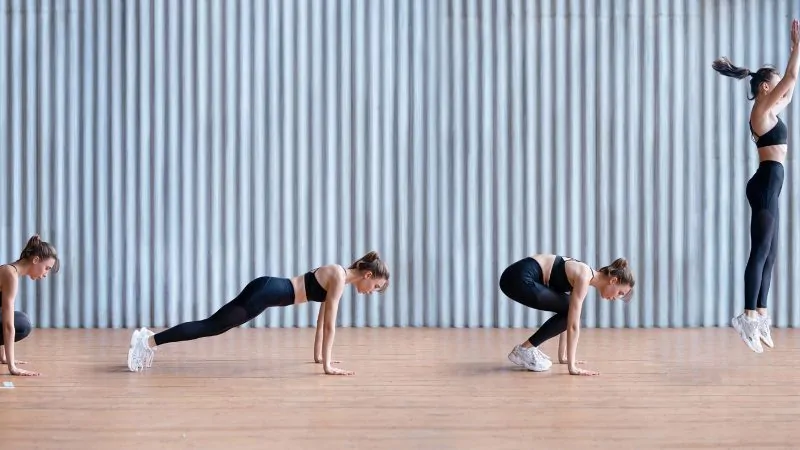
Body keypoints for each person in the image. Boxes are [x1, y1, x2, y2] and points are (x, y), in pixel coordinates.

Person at [127, 251, 390, 375]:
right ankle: (147, 342)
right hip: (264, 293)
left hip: (265, 289)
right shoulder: (338, 276)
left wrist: (320, 357)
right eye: (375, 287)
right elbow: (331, 325)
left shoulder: (339, 277)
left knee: (213, 325)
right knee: (211, 326)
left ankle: (149, 340)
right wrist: (328, 367)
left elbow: (321, 321)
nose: (371, 292)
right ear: (368, 275)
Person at [712, 19, 800, 353]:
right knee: (760, 251)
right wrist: (796, 48)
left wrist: (795, 54)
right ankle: (746, 315)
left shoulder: (772, 108)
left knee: (772, 254)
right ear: (765, 87)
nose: (781, 90)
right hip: (764, 185)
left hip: (770, 185)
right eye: (775, 85)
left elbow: (790, 87)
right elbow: (790, 80)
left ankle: (760, 314)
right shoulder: (761, 109)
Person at [499, 254, 634, 376]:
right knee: (570, 309)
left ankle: (526, 349)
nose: (617, 298)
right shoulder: (584, 276)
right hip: (518, 278)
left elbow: (568, 317)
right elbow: (573, 326)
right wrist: (572, 366)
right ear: (614, 281)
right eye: (620, 293)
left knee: (568, 308)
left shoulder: (584, 274)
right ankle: (524, 350)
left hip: (514, 277)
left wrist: (563, 357)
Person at [0, 234, 60, 377]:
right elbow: (7, 325)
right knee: (22, 323)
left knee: (19, 318)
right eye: (47, 268)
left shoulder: (9, 271)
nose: (45, 274)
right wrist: (12, 367)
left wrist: (3, 357)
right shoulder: (10, 275)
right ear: (35, 260)